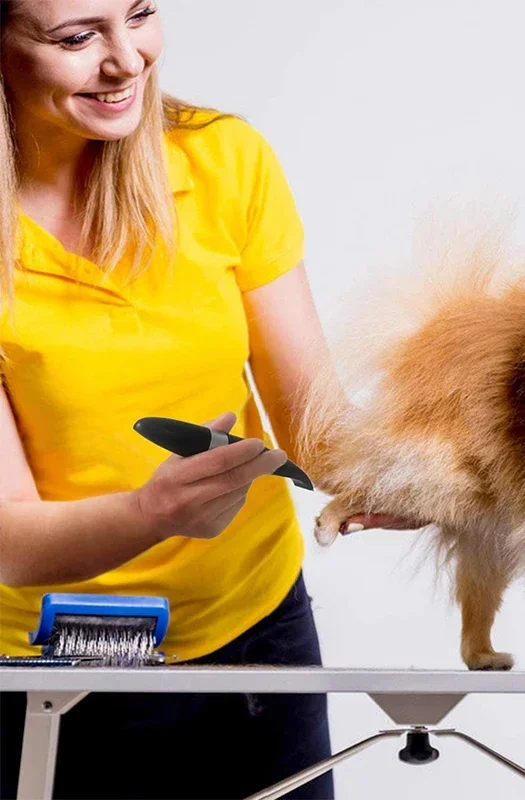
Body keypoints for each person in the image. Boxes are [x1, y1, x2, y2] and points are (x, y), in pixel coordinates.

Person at [0, 2, 409, 798]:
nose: (128, 60)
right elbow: (9, 539)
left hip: (255, 638)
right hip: (41, 667)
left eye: (140, 13)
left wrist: (420, 472)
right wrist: (153, 513)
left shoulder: (224, 160)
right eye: (77, 37)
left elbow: (316, 429)